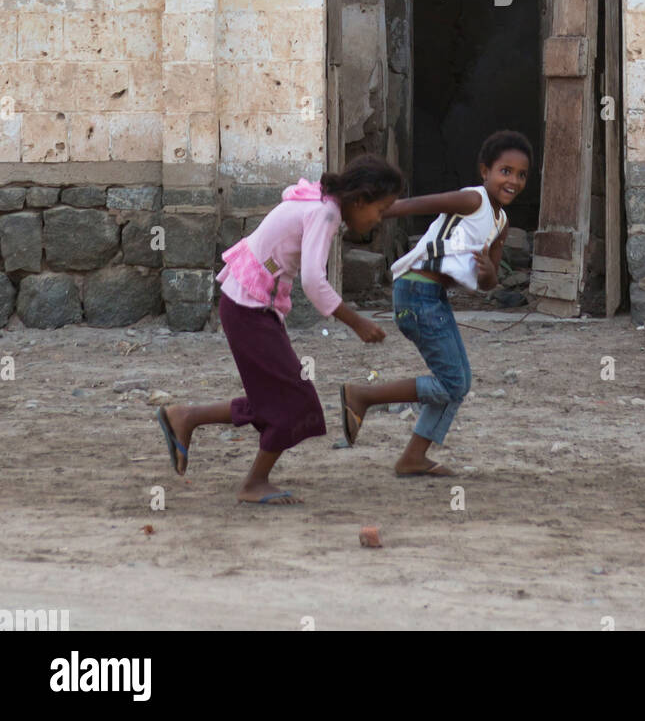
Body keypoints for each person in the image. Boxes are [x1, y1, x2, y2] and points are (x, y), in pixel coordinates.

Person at [155, 156, 403, 505]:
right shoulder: (326, 213)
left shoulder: (321, 198)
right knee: (297, 404)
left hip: (248, 305)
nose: (379, 219)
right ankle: (254, 483)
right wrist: (356, 322)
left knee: (277, 399)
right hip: (248, 309)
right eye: (381, 209)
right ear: (360, 200)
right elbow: (314, 280)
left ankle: (187, 416)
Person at [339, 130, 532, 477]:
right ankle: (363, 396)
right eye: (505, 171)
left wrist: (488, 271)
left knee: (458, 382)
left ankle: (413, 457)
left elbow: (489, 283)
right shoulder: (472, 200)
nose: (513, 180)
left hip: (433, 298)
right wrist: (365, 211)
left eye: (521, 174)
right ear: (485, 170)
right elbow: (417, 205)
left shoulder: (500, 222)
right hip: (416, 293)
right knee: (452, 382)